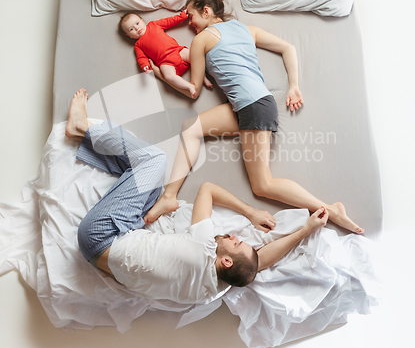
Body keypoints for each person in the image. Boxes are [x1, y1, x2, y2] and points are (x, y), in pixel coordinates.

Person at [145, 0, 364, 235]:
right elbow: (288, 48)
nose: (189, 23)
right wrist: (294, 85)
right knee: (191, 127)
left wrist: (158, 71)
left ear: (206, 11)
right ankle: (170, 196)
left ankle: (330, 208)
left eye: (191, 16)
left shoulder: (201, 40)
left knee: (263, 185)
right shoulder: (246, 29)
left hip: (253, 107)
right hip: (250, 104)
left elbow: (192, 90)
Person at [66, 88, 330, 304]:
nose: (237, 237)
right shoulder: (210, 291)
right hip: (104, 253)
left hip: (100, 235)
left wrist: (250, 212)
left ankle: (80, 127)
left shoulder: (203, 248)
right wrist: (305, 230)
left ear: (225, 260)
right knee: (151, 186)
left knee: (155, 161)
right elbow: (257, 264)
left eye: (237, 243)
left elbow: (207, 189)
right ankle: (94, 148)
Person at [119, 10, 212, 97]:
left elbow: (169, 21)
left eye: (137, 23)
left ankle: (203, 77)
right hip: (165, 62)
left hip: (177, 51)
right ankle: (189, 86)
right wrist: (145, 66)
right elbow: (141, 58)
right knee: (168, 76)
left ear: (142, 20)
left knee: (195, 56)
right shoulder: (138, 45)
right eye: (131, 29)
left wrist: (182, 16)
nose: (136, 28)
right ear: (129, 36)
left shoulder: (153, 25)